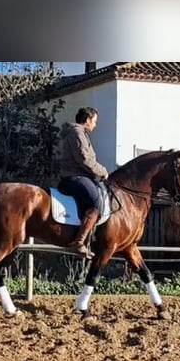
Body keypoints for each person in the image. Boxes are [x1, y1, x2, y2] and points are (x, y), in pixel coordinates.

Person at [58, 106, 109, 258]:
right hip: (75, 176)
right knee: (96, 204)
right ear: (87, 120)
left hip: (78, 175)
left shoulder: (79, 133)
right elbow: (85, 160)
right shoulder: (77, 133)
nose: (95, 125)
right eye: (94, 121)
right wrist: (103, 171)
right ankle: (79, 242)